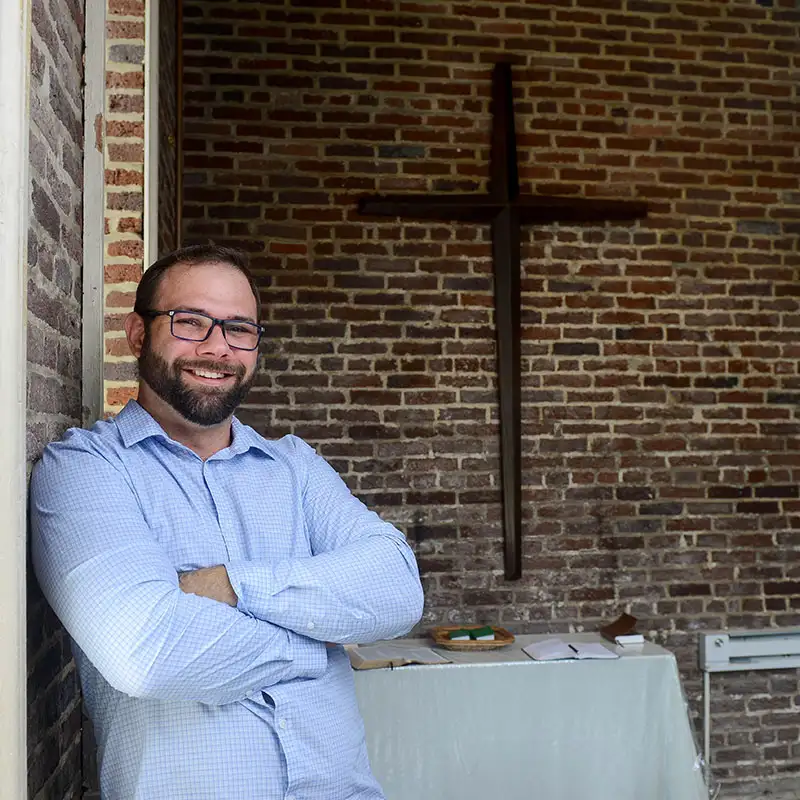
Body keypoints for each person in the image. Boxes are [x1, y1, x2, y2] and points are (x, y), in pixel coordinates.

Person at [31, 244, 424, 800]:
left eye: (240, 328)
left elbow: (397, 588)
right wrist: (316, 642)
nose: (219, 348)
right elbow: (146, 651)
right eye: (191, 322)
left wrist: (232, 586)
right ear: (138, 335)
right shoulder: (86, 470)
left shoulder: (295, 468)